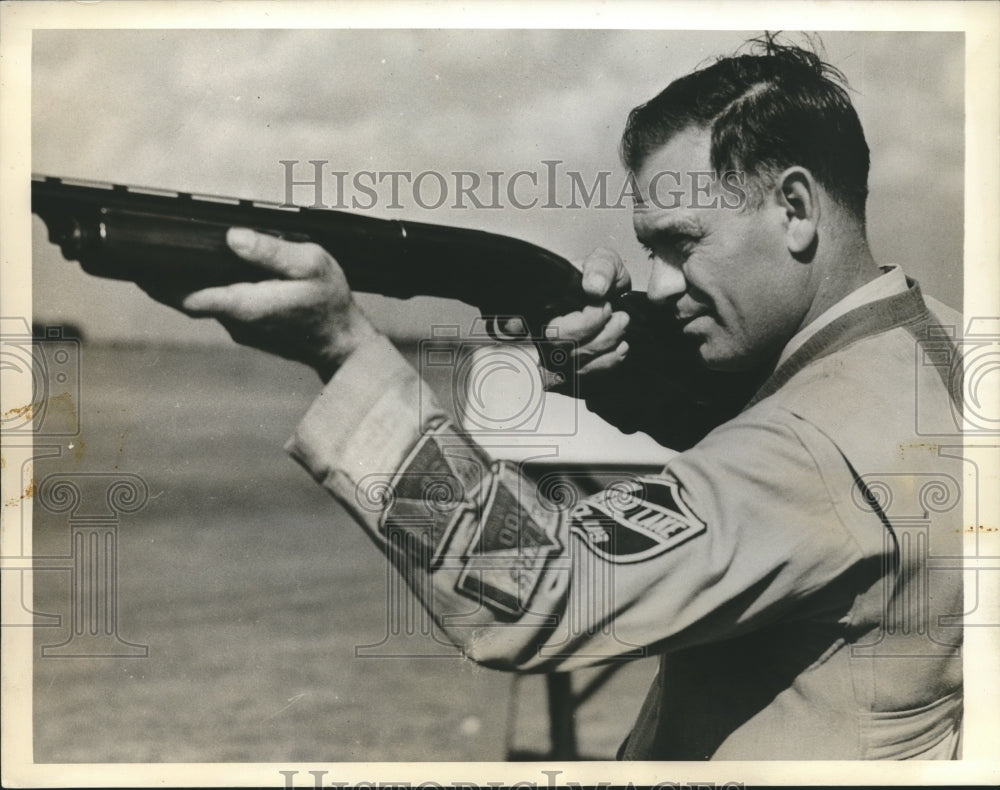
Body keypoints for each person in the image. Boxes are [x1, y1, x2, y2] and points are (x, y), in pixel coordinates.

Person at [142, 39, 964, 759]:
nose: (657, 283)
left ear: (794, 208)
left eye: (682, 244)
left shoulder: (811, 450)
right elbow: (774, 468)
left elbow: (532, 587)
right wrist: (620, 373)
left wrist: (348, 358)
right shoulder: (949, 351)